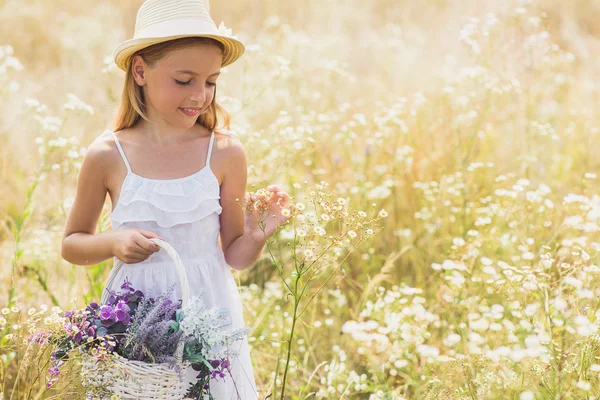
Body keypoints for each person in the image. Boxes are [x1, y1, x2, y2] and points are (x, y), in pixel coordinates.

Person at [61, 0, 293, 398]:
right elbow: (72, 245)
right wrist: (113, 242)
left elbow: (233, 255)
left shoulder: (224, 153)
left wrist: (257, 235)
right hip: (135, 316)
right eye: (184, 80)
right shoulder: (107, 154)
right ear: (140, 71)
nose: (200, 95)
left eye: (211, 81)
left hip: (209, 310)